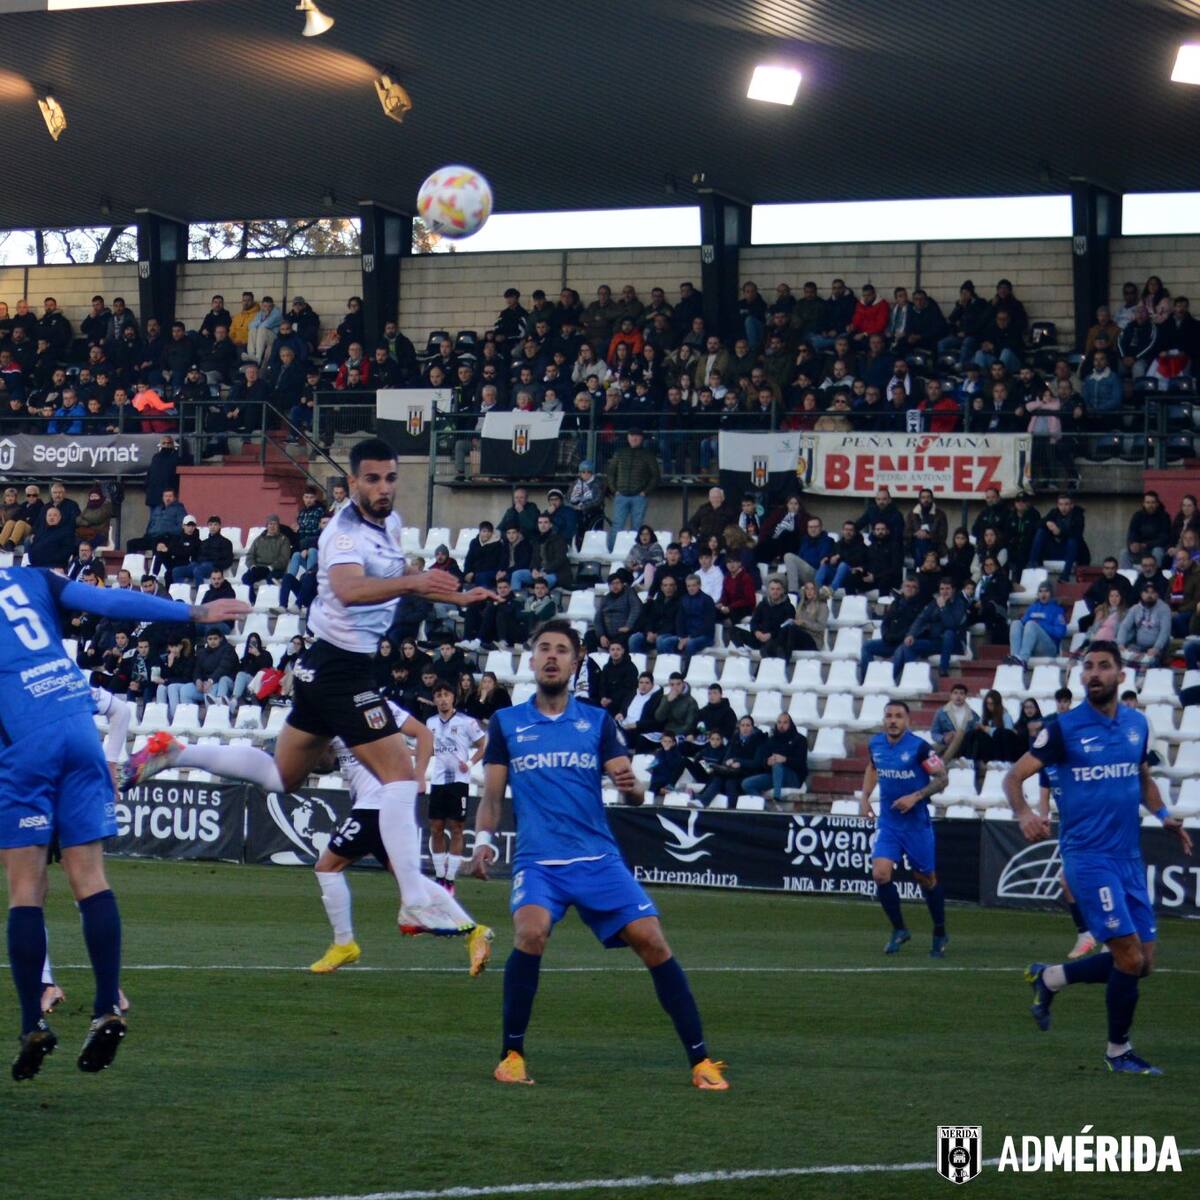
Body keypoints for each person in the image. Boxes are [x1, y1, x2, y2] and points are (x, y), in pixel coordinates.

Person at [123, 439, 494, 946]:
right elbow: (349, 589)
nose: (383, 488)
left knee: (282, 776)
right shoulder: (342, 533)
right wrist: (413, 585)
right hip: (342, 669)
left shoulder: (388, 524)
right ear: (352, 482)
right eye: (372, 479)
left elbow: (399, 575)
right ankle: (413, 895)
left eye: (390, 478)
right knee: (401, 777)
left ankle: (175, 750)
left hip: (326, 667)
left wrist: (454, 592)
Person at [0, 563, 248, 1080]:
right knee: (91, 879)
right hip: (77, 724)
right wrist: (193, 611)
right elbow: (110, 600)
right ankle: (106, 1008)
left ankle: (31, 1023)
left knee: (26, 889)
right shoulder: (30, 578)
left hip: (25, 743)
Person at [468, 619, 727, 1090]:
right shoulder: (506, 723)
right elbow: (491, 797)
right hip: (539, 862)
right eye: (544, 648)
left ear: (575, 663)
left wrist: (633, 787)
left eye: (561, 650)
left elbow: (632, 792)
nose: (551, 656)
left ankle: (701, 1060)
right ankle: (511, 1055)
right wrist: (483, 841)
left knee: (653, 941)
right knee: (530, 932)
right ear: (531, 659)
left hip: (597, 860)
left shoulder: (597, 722)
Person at [1007, 643, 1192, 1076]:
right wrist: (1024, 813)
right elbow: (1014, 776)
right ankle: (1118, 1052)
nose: (1094, 673)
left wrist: (1163, 815)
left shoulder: (1136, 724)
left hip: (1128, 856)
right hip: (1088, 858)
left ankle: (1050, 978)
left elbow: (1141, 778)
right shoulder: (1063, 729)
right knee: (1127, 958)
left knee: (1144, 963)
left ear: (1121, 676)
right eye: (1088, 666)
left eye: (1103, 666)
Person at [308, 697, 488, 975]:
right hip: (388, 806)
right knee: (407, 877)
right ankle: (475, 931)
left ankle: (344, 943)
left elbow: (424, 734)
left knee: (327, 867)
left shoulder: (350, 705)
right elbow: (327, 763)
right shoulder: (361, 705)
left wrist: (419, 776)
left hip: (373, 806)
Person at [859, 700, 950, 957]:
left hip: (916, 825)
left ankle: (940, 931)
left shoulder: (920, 748)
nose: (893, 720)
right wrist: (865, 797)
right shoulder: (876, 744)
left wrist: (915, 797)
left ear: (907, 721)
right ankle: (899, 929)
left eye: (898, 716)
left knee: (926, 879)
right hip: (889, 823)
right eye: (889, 715)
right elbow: (872, 767)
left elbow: (942, 778)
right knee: (880, 874)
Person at [426, 680, 486, 896]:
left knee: (457, 828)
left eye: (446, 694)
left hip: (459, 782)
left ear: (453, 698)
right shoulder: (430, 722)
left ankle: (450, 879)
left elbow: (483, 745)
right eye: (439, 695)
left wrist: (469, 763)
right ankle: (439, 876)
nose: (443, 699)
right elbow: (429, 749)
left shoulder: (466, 722)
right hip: (437, 781)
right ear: (434, 699)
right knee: (436, 828)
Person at [741, 711, 808, 804]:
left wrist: (784, 760)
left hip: (793, 778)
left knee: (777, 764)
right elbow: (762, 761)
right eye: (779, 722)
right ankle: (765, 807)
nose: (781, 725)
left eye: (785, 722)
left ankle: (777, 799)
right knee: (747, 784)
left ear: (790, 724)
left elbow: (801, 762)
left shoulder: (800, 740)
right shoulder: (771, 740)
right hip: (774, 776)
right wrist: (767, 762)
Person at [1006, 581, 1067, 667]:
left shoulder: (1058, 610)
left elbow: (1060, 633)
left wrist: (1040, 625)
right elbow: (1023, 622)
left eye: (1046, 591)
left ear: (1051, 593)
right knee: (1016, 623)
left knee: (1031, 625)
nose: (1043, 594)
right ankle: (1015, 657)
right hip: (1031, 645)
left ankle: (1023, 660)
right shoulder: (1033, 608)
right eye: (1041, 591)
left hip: (1049, 647)